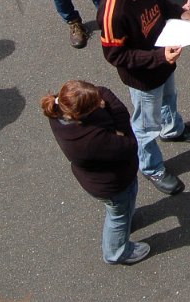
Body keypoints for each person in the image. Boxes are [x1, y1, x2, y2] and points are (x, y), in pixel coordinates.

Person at [100, 0, 190, 198]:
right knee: (145, 126)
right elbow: (116, 56)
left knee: (170, 97)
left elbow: (160, 4)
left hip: (163, 60)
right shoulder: (113, 11)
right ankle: (150, 167)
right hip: (143, 76)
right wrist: (159, 57)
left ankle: (172, 129)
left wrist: (180, 13)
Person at [42, 80, 149, 265]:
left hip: (100, 180)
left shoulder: (59, 109)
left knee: (122, 209)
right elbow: (130, 145)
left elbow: (103, 91)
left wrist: (116, 129)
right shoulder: (89, 140)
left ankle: (126, 224)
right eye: (96, 105)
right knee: (117, 216)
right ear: (81, 114)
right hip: (113, 185)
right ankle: (116, 252)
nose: (101, 101)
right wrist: (121, 127)